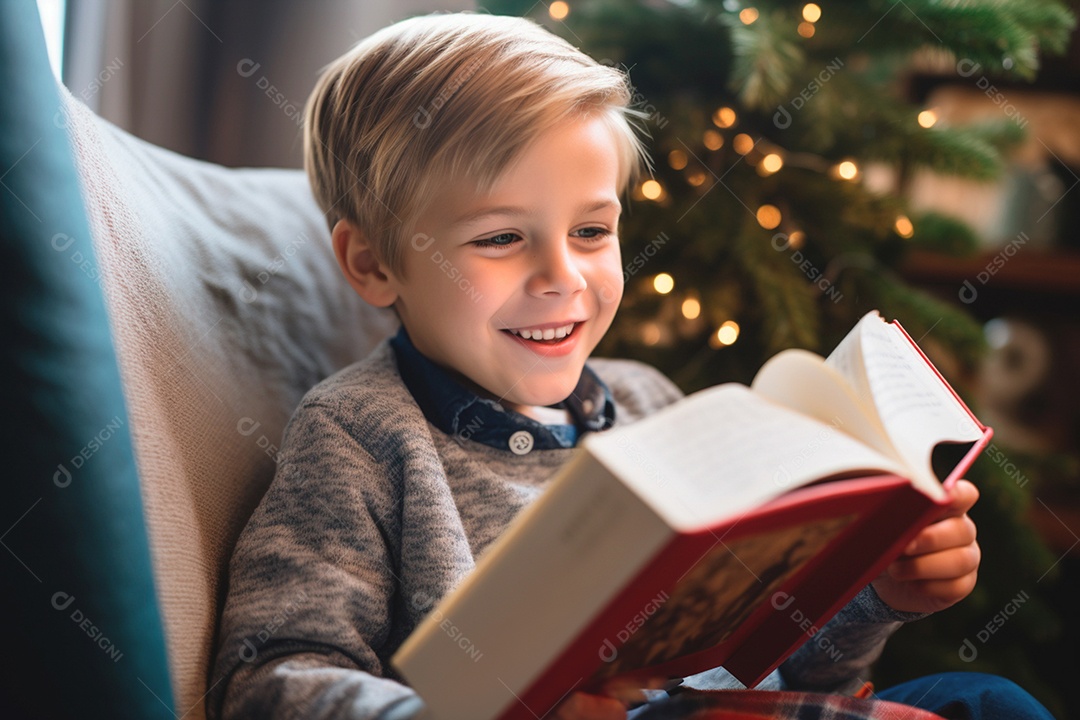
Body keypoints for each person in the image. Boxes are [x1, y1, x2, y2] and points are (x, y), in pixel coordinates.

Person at [207, 12, 1052, 720]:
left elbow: (772, 673)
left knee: (987, 701)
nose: (561, 278)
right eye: (502, 238)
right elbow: (270, 680)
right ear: (373, 264)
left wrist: (881, 598)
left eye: (591, 231)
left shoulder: (652, 402)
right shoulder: (360, 434)